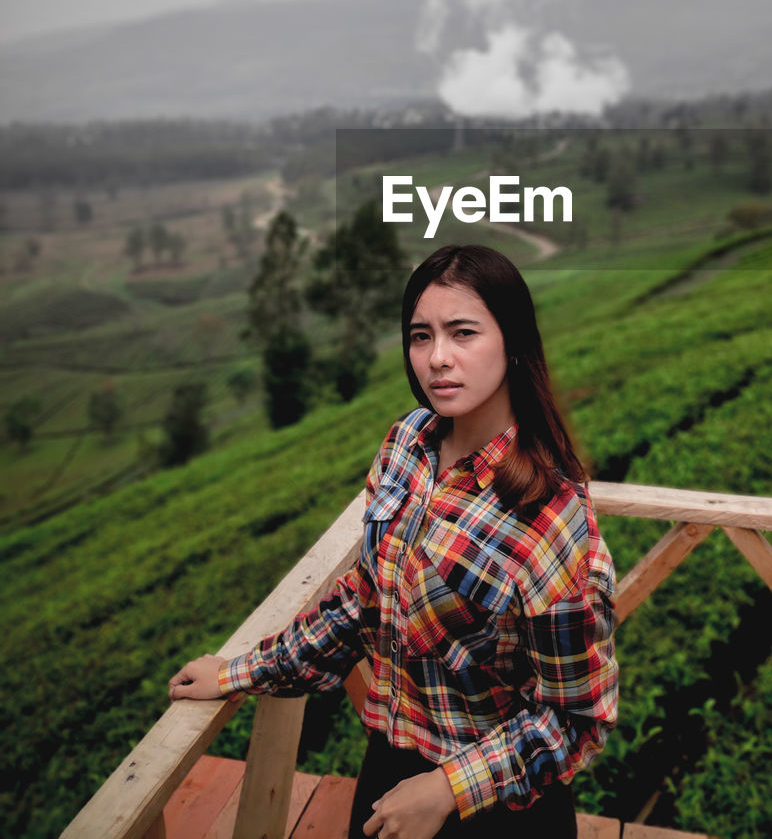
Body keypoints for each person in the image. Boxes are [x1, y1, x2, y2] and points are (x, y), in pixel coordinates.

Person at [169, 244, 618, 838]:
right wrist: (241, 672)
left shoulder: (549, 515)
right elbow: (363, 604)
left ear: (512, 344)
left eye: (462, 333)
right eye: (419, 336)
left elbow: (576, 718)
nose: (437, 358)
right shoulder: (407, 445)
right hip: (390, 761)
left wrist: (447, 788)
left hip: (497, 807)